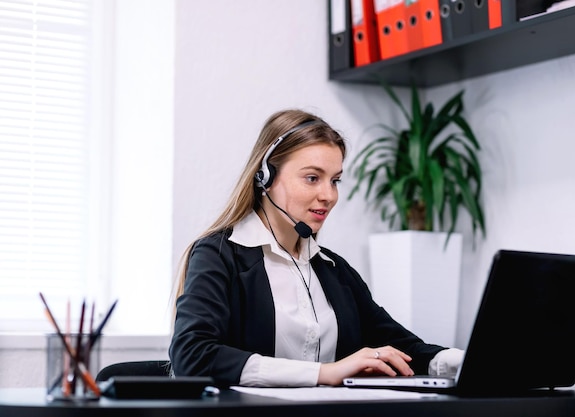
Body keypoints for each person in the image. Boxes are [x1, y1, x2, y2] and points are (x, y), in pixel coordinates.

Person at [169, 108, 464, 387]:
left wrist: (467, 360)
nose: (329, 195)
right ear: (265, 178)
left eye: (334, 180)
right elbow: (192, 356)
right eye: (312, 178)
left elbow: (402, 347)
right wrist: (325, 373)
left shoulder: (332, 269)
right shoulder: (218, 255)